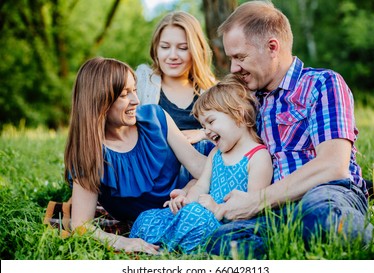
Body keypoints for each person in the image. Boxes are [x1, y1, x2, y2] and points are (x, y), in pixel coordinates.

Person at [206, 1, 374, 258]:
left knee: (321, 215)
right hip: (276, 209)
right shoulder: (249, 101)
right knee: (221, 241)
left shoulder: (322, 84)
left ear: (272, 47)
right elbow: (223, 158)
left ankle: (325, 236)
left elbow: (333, 165)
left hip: (325, 194)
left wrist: (257, 200)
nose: (233, 68)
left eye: (240, 57)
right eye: (231, 58)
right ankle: (298, 246)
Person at [64, 57, 206, 254]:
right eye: (124, 95)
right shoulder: (90, 154)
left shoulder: (154, 117)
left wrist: (191, 189)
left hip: (194, 187)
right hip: (154, 220)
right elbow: (80, 226)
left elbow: (200, 167)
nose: (136, 101)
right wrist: (125, 243)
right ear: (99, 101)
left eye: (135, 90)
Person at [129, 74, 273, 253]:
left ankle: (170, 248)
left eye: (211, 121)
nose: (207, 131)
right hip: (200, 213)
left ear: (239, 115)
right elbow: (201, 186)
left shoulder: (258, 156)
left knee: (194, 216)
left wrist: (219, 208)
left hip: (224, 225)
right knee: (147, 217)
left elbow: (253, 208)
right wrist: (185, 199)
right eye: (203, 126)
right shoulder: (216, 154)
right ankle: (168, 243)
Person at [135, 11, 216, 184]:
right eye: (165, 47)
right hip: (154, 172)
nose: (172, 55)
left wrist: (202, 133)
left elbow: (230, 134)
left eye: (183, 48)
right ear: (156, 49)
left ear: (196, 50)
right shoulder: (142, 81)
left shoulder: (211, 90)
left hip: (200, 172)